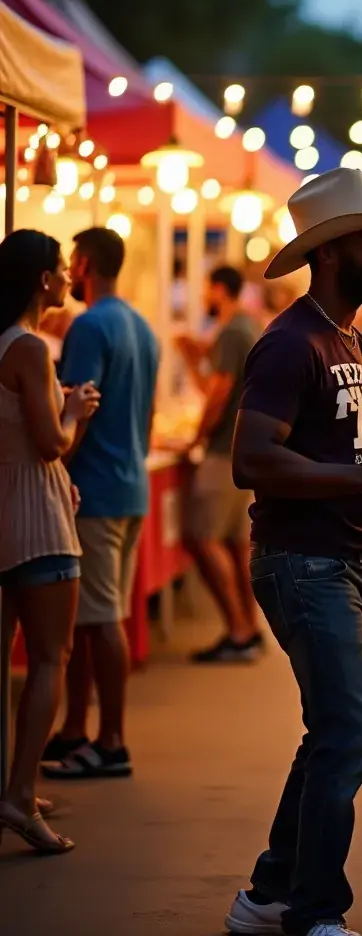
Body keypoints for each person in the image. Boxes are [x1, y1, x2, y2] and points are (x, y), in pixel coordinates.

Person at [225, 168, 362, 936]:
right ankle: (315, 912)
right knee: (349, 731)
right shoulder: (289, 344)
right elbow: (250, 460)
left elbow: (347, 450)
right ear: (329, 251)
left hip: (346, 559)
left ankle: (266, 894)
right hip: (302, 561)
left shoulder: (347, 337)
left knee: (333, 731)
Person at [41, 227, 158, 782]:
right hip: (131, 484)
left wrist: (55, 463)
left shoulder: (89, 326)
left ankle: (111, 741)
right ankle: (74, 730)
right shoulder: (141, 326)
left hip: (96, 488)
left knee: (99, 619)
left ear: (83, 263)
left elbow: (76, 410)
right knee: (94, 619)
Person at [0, 230, 99, 853]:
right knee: (48, 660)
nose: (69, 277)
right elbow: (50, 445)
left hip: (13, 504)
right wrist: (76, 410)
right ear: (43, 279)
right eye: (62, 269)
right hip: (36, 520)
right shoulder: (30, 347)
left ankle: (14, 786)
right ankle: (17, 794)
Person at [176, 265, 263, 663]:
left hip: (220, 450)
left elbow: (218, 393)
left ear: (218, 290)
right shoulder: (246, 328)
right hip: (241, 449)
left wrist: (195, 437)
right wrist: (195, 359)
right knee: (233, 541)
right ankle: (249, 628)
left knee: (203, 537)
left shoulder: (231, 332)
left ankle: (238, 630)